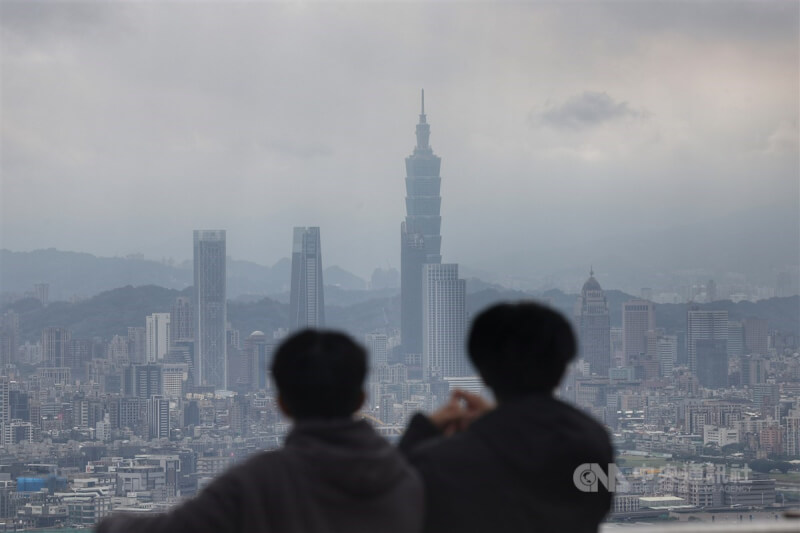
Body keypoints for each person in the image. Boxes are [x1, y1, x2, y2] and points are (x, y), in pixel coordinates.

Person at [98, 330, 423, 533]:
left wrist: (111, 524)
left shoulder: (256, 482)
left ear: (281, 403)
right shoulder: (408, 482)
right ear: (362, 398)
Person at [399, 302, 613, 533]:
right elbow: (598, 503)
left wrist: (424, 428)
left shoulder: (445, 459)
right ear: (562, 369)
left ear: (482, 374)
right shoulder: (594, 441)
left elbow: (393, 497)